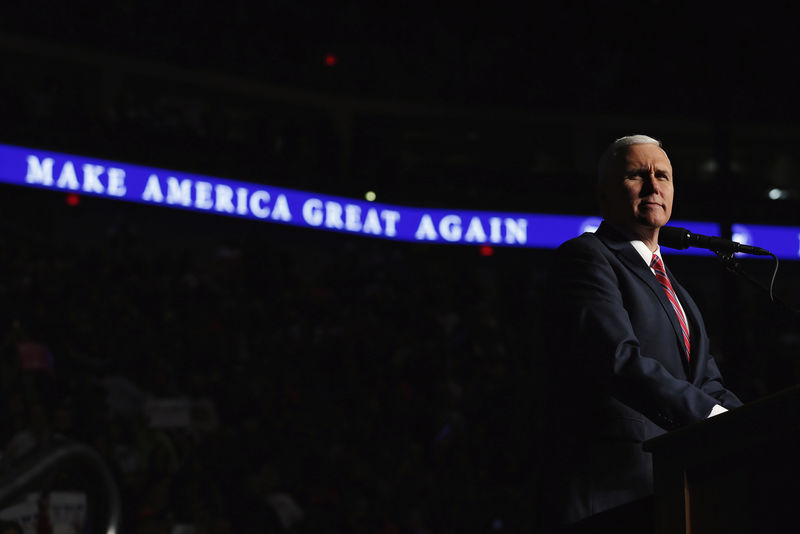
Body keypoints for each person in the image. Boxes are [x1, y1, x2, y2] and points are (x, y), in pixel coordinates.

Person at [538, 135, 743, 532]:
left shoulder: (677, 290)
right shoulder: (587, 257)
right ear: (604, 195)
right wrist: (713, 418)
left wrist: (750, 425)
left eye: (662, 176)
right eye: (637, 175)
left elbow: (708, 383)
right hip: (609, 495)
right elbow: (617, 359)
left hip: (671, 492)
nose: (653, 186)